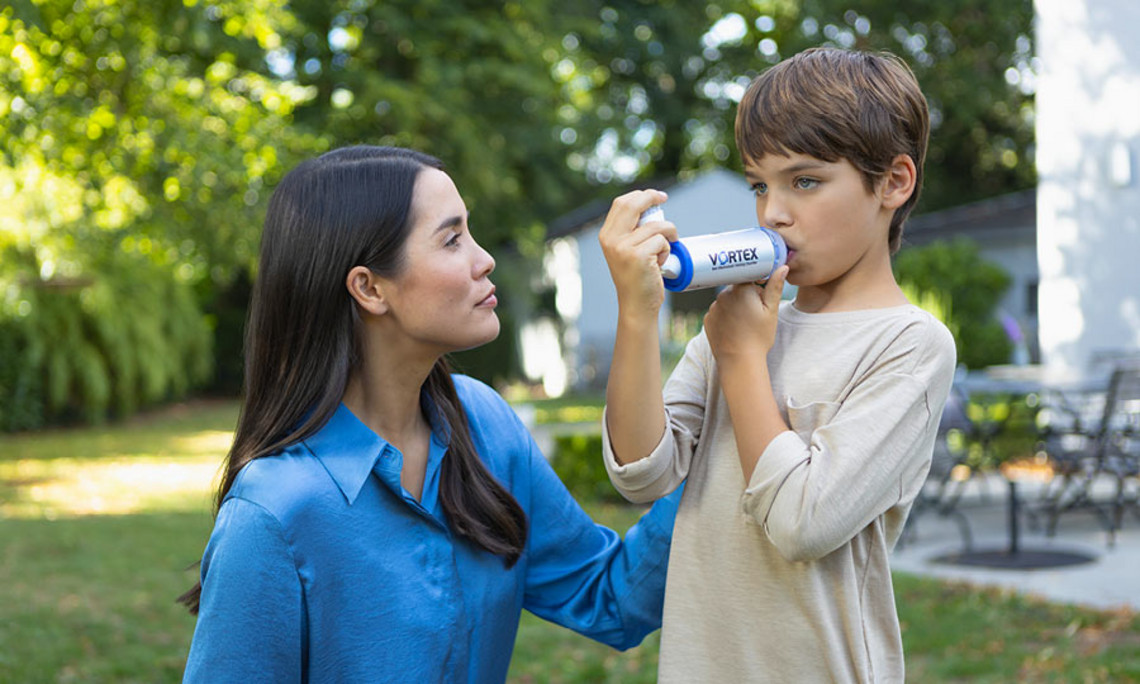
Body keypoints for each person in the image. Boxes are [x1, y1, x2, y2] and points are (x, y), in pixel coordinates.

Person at [179, 145, 680, 683]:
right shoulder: (273, 514)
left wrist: (732, 411)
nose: (484, 258)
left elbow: (612, 597)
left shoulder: (486, 424)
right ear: (369, 288)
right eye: (452, 238)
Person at [597, 47, 957, 682]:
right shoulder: (744, 320)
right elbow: (642, 472)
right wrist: (636, 313)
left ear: (893, 183)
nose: (773, 213)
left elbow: (802, 522)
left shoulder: (908, 345)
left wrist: (741, 359)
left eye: (806, 181)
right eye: (760, 185)